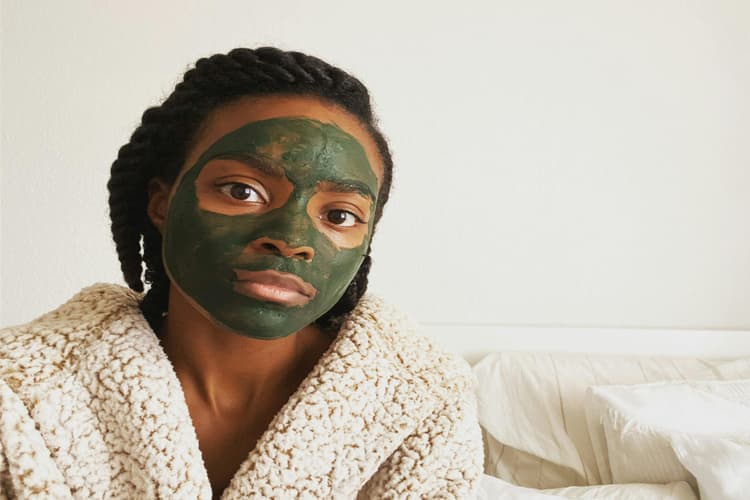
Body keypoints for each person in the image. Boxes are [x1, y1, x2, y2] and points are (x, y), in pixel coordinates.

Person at [0, 48, 483, 499]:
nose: (290, 239)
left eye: (339, 215)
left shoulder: (424, 402)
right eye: (242, 191)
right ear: (161, 204)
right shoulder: (23, 391)